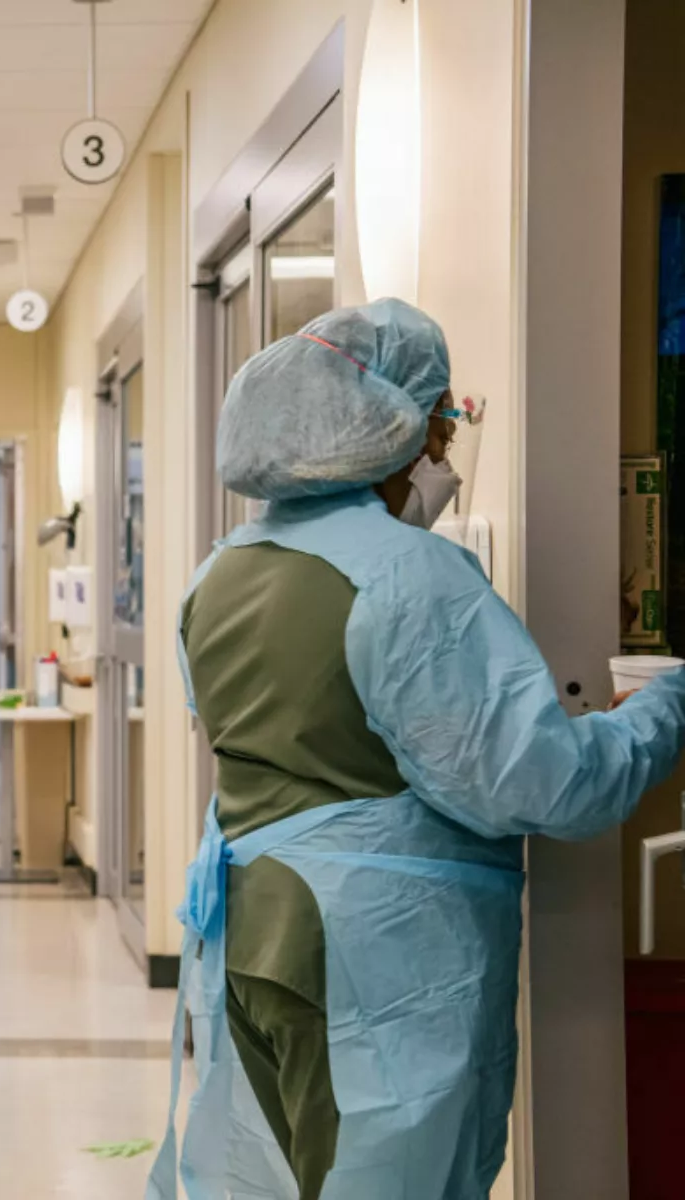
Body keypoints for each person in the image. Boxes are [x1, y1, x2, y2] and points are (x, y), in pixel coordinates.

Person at [146, 299, 685, 1200]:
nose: (441, 464)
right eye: (438, 438)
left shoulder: (221, 571)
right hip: (370, 958)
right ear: (381, 435)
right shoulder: (408, 576)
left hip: (251, 934)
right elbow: (544, 786)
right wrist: (661, 708)